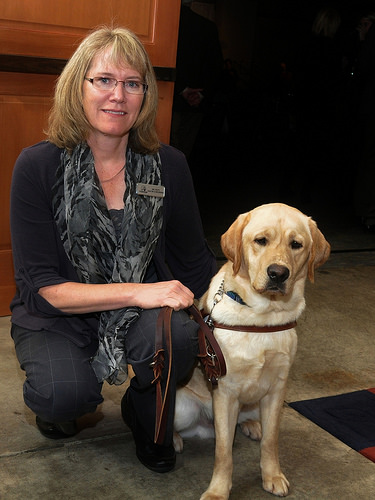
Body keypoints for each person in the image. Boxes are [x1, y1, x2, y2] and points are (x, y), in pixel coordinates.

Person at [9, 26, 216, 473]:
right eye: (104, 80)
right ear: (77, 87)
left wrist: (210, 312)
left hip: (137, 318)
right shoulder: (36, 166)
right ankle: (60, 408)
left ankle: (145, 412)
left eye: (132, 83)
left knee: (176, 336)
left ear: (145, 95)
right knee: (63, 393)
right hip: (59, 314)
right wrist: (138, 291)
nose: (117, 95)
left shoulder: (170, 166)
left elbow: (195, 262)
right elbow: (43, 287)